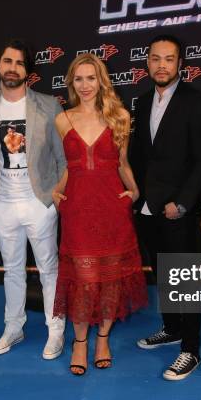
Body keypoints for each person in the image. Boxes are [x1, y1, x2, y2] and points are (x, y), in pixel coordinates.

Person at [52, 53, 148, 375]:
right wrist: (56, 189)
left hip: (111, 206)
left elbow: (122, 163)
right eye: (79, 79)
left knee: (110, 280)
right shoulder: (62, 119)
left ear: (101, 80)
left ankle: (103, 338)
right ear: (72, 83)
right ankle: (80, 342)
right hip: (78, 207)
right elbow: (72, 165)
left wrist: (133, 191)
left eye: (91, 78)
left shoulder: (119, 116)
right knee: (84, 279)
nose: (85, 85)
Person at [0, 39, 66, 360]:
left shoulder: (49, 105)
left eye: (19, 63)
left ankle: (56, 329)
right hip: (1, 205)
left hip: (40, 203)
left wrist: (54, 198)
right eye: (7, 61)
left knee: (49, 269)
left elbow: (62, 156)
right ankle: (14, 326)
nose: (13, 68)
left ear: (28, 71)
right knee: (11, 270)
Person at [130, 35, 201, 381]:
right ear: (147, 62)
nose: (161, 65)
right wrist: (135, 197)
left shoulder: (196, 103)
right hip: (147, 209)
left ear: (181, 64)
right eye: (155, 58)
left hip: (177, 209)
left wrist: (182, 203)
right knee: (162, 273)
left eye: (169, 59)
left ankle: (191, 350)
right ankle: (171, 328)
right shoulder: (143, 100)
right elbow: (140, 155)